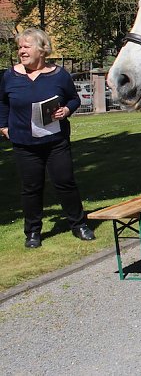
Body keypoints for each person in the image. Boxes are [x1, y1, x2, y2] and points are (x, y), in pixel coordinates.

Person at [0, 28, 95, 248]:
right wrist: (3, 126)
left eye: (26, 47)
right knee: (31, 187)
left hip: (55, 142)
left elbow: (74, 99)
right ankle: (33, 232)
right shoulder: (9, 76)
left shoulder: (59, 75)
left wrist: (67, 110)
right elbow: (2, 102)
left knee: (65, 182)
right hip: (24, 143)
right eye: (19, 47)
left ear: (42, 49)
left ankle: (79, 224)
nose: (21, 51)